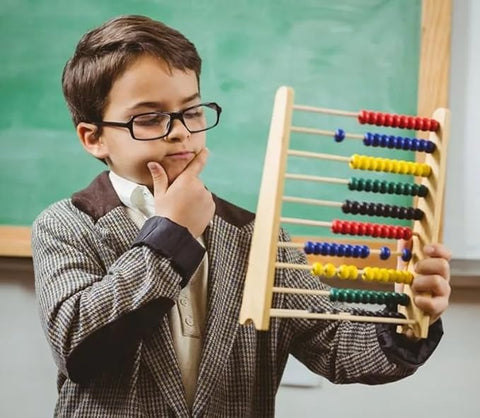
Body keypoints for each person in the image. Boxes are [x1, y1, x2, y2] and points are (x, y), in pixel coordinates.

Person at [31, 15, 452, 417]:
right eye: (150, 118)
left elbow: (337, 346)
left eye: (192, 111)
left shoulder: (254, 236)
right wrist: (172, 234)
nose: (181, 131)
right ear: (94, 137)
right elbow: (77, 346)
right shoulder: (67, 225)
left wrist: (407, 316)